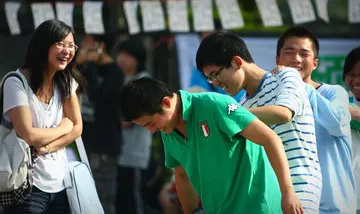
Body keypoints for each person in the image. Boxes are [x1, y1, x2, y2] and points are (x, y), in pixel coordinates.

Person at [120, 77, 303, 214]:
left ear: (166, 102)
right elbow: (182, 175)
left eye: (151, 124)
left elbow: (270, 139)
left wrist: (288, 192)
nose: (152, 131)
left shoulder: (215, 105)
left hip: (259, 207)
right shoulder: (166, 130)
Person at [196, 31, 321, 213]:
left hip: (300, 188)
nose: (215, 83)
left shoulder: (286, 77)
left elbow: (284, 113)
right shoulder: (241, 105)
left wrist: (227, 114)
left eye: (216, 74)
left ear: (237, 62)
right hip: (268, 193)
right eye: (210, 78)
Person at [3, 19, 83, 213]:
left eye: (71, 46)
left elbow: (78, 128)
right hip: (25, 183)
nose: (67, 51)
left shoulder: (65, 82)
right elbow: (28, 135)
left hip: (61, 183)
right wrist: (63, 127)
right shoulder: (16, 82)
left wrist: (46, 147)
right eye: (60, 44)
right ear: (43, 46)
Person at [275, 27, 356, 214]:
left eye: (304, 53)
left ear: (315, 63)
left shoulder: (333, 92)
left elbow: (336, 122)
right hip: (295, 205)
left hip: (336, 208)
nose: (296, 59)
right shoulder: (274, 100)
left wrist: (297, 85)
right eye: (289, 52)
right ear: (277, 60)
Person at [76, 34, 124, 214]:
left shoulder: (114, 72)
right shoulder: (86, 67)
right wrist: (79, 64)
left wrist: (89, 64)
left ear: (100, 45)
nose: (82, 45)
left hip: (104, 144)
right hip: (84, 141)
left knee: (102, 195)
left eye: (87, 42)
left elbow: (97, 95)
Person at [113, 38, 153, 214]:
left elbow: (133, 119)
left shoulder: (143, 81)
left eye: (128, 55)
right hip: (116, 153)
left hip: (134, 153)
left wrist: (111, 123)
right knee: (120, 201)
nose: (122, 59)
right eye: (120, 54)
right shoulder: (117, 79)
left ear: (138, 59)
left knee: (134, 202)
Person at [343, 46, 360, 214]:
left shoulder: (345, 106)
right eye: (352, 74)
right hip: (349, 197)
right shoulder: (341, 100)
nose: (357, 80)